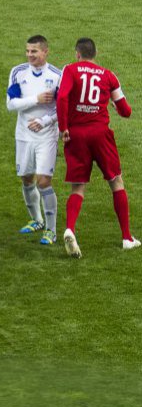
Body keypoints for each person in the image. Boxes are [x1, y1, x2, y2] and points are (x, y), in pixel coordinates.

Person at [56, 37, 139, 257]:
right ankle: (127, 238)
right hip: (101, 135)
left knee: (78, 187)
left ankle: (70, 229)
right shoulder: (108, 75)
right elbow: (126, 111)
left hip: (76, 135)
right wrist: (114, 105)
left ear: (78, 54)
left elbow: (62, 97)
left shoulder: (70, 70)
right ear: (96, 53)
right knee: (116, 181)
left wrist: (63, 128)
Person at [6, 35, 62, 245]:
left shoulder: (57, 76)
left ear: (45, 52)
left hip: (46, 135)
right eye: (27, 51)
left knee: (44, 180)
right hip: (23, 134)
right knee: (26, 178)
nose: (29, 55)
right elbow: (11, 104)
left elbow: (62, 108)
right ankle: (36, 220)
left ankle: (51, 230)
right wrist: (35, 100)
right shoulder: (18, 72)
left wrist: (44, 121)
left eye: (34, 51)